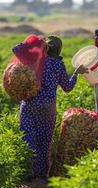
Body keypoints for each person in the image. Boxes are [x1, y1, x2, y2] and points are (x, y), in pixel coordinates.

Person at [15, 35, 87, 180]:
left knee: (28, 137)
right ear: (59, 50)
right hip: (47, 108)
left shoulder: (36, 60)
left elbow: (16, 49)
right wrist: (76, 74)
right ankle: (42, 174)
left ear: (45, 48)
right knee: (44, 141)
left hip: (30, 104)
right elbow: (67, 87)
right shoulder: (58, 65)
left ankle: (28, 171)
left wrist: (32, 43)